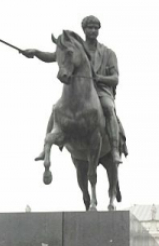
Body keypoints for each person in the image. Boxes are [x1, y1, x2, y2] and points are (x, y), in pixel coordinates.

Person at [22, 15, 124, 163]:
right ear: (84, 29)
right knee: (56, 108)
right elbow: (53, 56)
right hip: (77, 92)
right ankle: (45, 148)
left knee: (108, 107)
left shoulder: (108, 53)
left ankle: (114, 149)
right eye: (90, 27)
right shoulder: (74, 47)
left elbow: (115, 78)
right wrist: (35, 52)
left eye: (96, 28)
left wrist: (99, 78)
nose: (93, 31)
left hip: (100, 91)